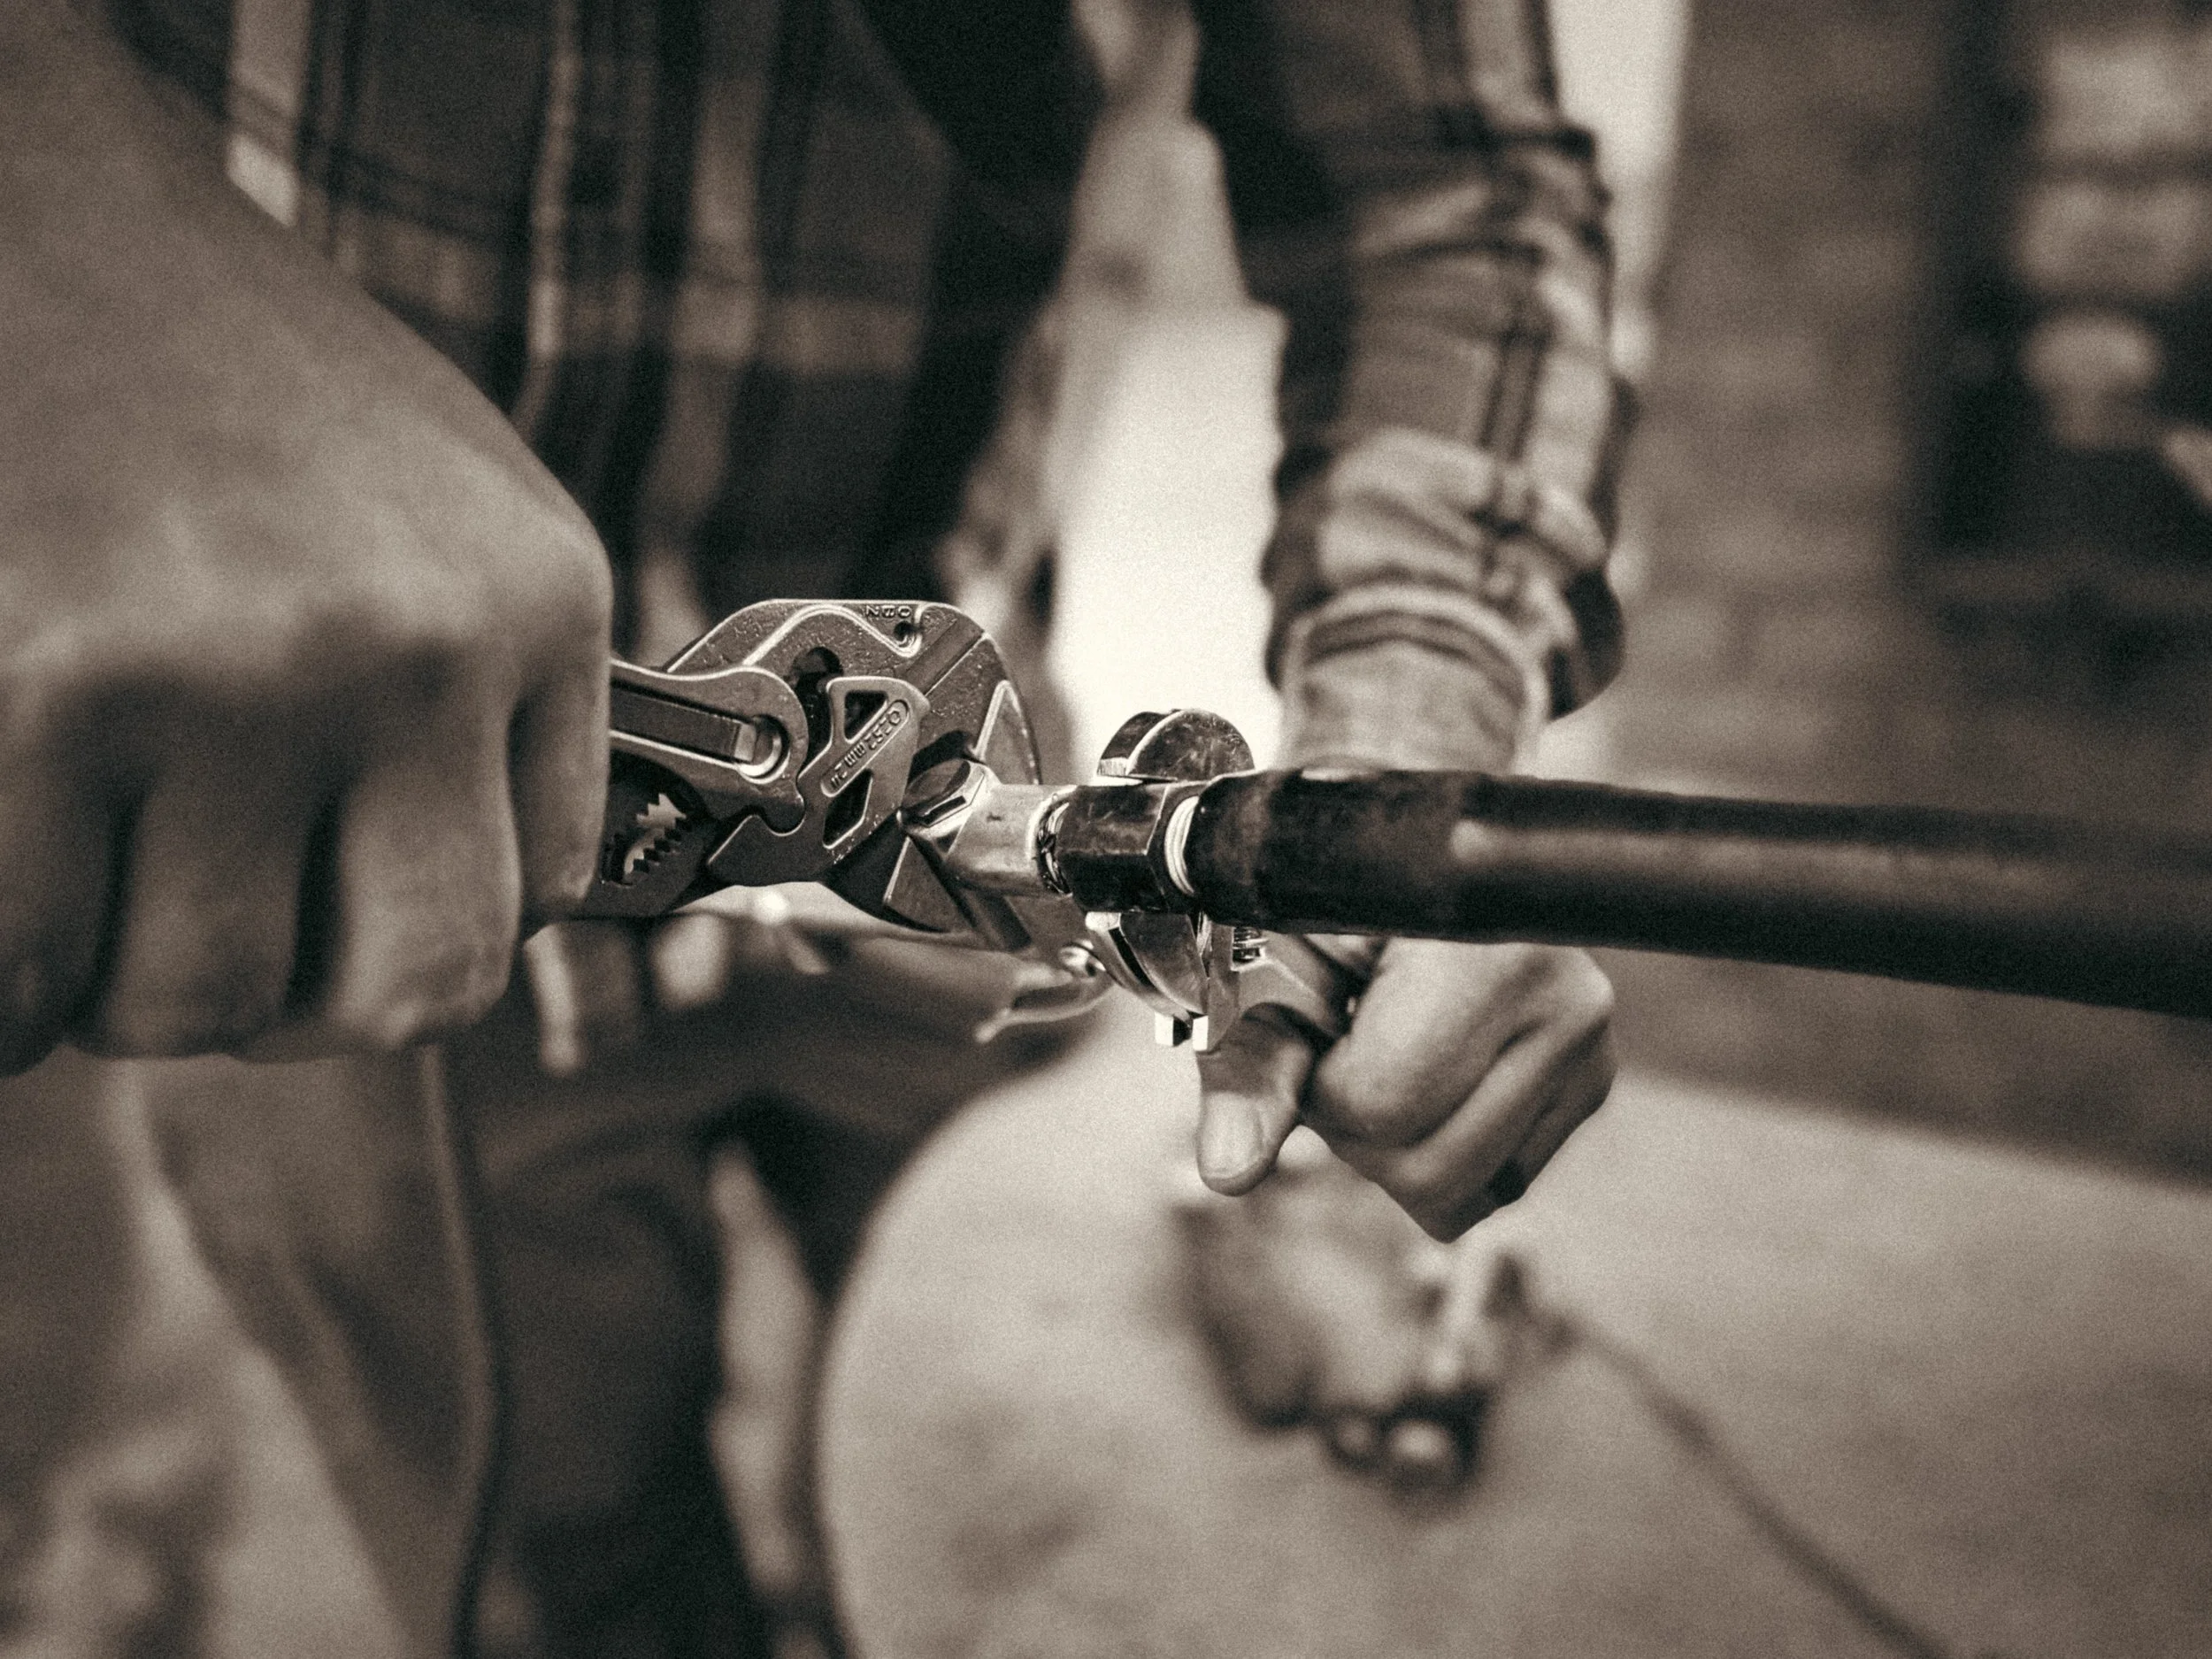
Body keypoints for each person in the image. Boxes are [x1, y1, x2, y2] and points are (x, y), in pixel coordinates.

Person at [0, 0, 1625, 1651]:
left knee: (1007, 1527)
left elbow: (1448, 194)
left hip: (955, 817)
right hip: (352, 837)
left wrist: (1402, 768)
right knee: (572, 1597)